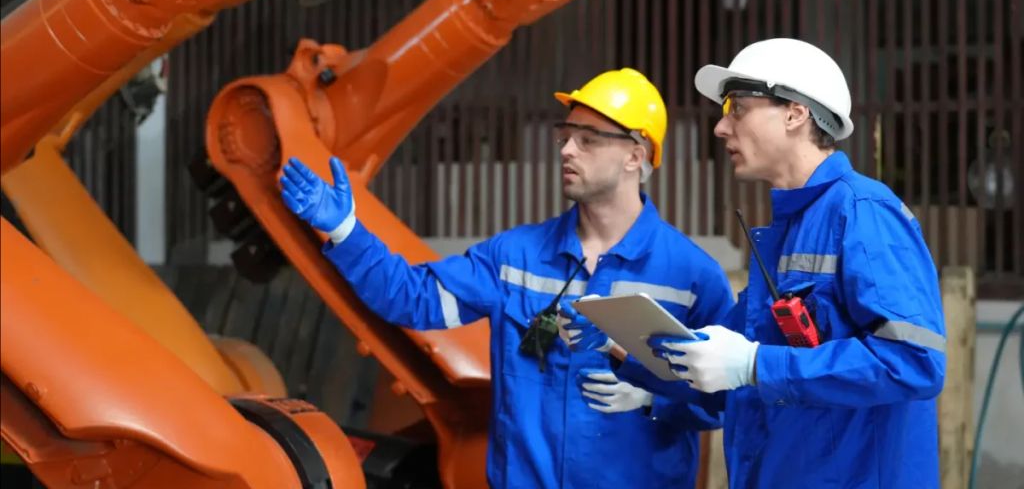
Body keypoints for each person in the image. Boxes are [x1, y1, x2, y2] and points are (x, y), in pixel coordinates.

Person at [279, 68, 734, 488]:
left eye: (588, 139)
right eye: (566, 135)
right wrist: (345, 232)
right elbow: (411, 298)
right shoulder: (515, 257)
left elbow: (728, 398)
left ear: (636, 155)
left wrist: (654, 397)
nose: (567, 150)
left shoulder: (691, 277)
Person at [646, 38, 946, 487]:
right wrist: (631, 358)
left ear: (794, 113)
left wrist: (755, 365)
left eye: (737, 108)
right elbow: (732, 373)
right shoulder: (787, 233)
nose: (720, 128)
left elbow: (914, 361)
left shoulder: (863, 212)